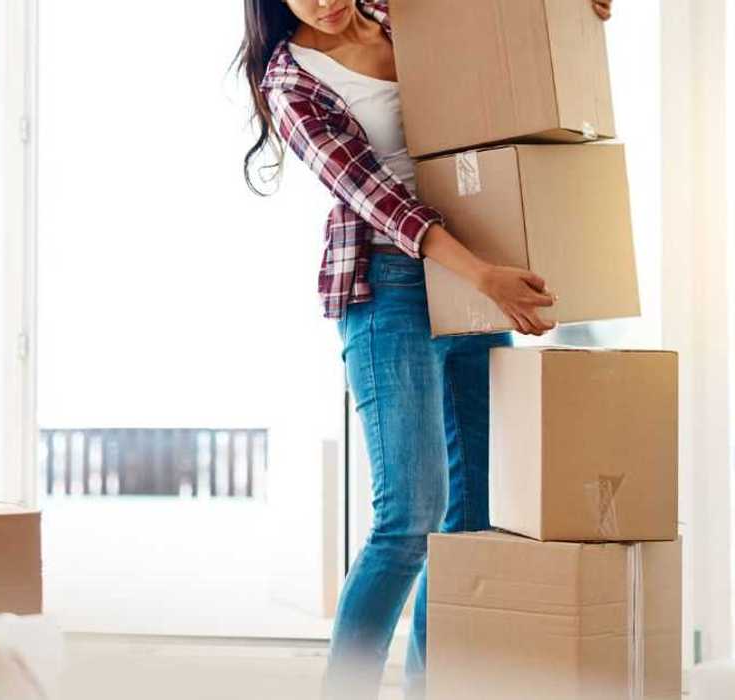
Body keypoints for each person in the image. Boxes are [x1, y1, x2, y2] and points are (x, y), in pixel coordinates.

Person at [236, 0, 613, 696]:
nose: (322, 1)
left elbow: (507, 35)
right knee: (408, 517)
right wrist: (484, 279)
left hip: (475, 272)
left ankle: (429, 686)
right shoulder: (291, 81)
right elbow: (376, 197)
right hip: (388, 285)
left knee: (467, 518)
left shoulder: (405, 15)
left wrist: (566, 12)